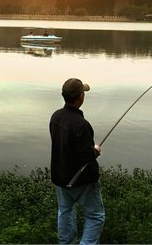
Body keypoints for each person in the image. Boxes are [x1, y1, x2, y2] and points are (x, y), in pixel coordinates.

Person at [49, 78, 104, 244]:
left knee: (65, 211)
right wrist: (95, 151)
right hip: (83, 181)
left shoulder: (55, 117)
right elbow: (86, 155)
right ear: (81, 97)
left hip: (60, 176)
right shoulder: (82, 124)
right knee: (95, 216)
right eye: (83, 93)